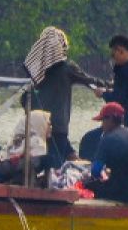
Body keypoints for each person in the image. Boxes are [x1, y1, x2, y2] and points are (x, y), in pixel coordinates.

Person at [23, 27, 107, 168]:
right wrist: (110, 87)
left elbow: (24, 98)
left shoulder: (35, 70)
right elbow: (91, 81)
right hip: (57, 127)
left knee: (37, 164)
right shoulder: (67, 69)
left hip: (35, 126)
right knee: (55, 166)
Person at [88, 102, 128, 204]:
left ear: (110, 119)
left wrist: (106, 174)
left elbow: (95, 171)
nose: (102, 125)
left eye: (103, 120)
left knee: (88, 183)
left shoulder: (107, 138)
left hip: (119, 196)